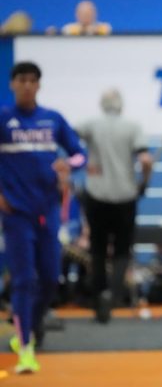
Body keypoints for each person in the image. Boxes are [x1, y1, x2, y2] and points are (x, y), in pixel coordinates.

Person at [0, 61, 87, 373]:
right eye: (21, 80)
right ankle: (25, 349)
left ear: (38, 85)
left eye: (32, 80)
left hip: (48, 212)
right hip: (16, 214)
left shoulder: (52, 119)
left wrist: (68, 165)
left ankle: (30, 330)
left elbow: (80, 154)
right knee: (24, 279)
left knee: (50, 279)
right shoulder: (4, 118)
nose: (26, 85)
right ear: (12, 84)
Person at [75, 88, 153, 323]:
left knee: (97, 249)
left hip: (96, 194)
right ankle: (114, 295)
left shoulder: (91, 124)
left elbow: (68, 137)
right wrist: (143, 183)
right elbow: (145, 160)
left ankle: (98, 297)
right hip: (125, 196)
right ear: (121, 104)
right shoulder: (132, 127)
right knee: (121, 250)